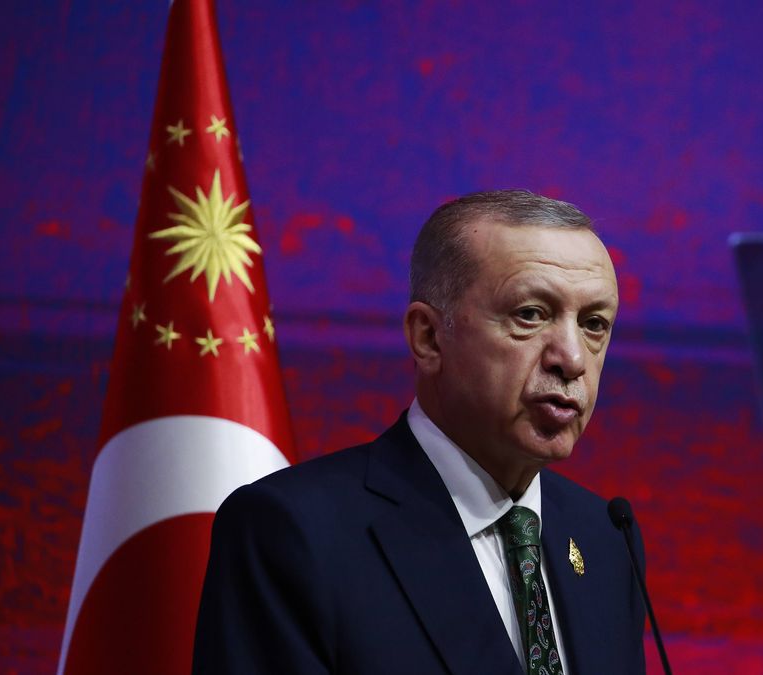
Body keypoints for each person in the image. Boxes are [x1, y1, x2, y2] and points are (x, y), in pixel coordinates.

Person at [192, 190, 646, 674]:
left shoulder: (604, 538)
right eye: (530, 314)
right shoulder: (291, 534)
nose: (573, 359)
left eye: (594, 324)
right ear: (428, 337)